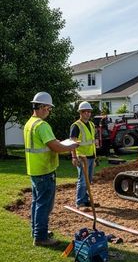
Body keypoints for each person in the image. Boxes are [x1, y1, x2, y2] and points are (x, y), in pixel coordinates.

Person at [24, 92, 79, 246]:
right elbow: (54, 146)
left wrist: (61, 143)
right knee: (44, 204)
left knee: (37, 202)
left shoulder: (29, 123)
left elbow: (49, 143)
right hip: (45, 170)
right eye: (48, 108)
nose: (49, 111)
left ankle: (36, 231)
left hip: (35, 170)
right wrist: (71, 146)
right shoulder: (42, 125)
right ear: (42, 107)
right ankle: (41, 237)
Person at [70, 101, 99, 212]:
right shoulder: (76, 126)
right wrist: (74, 157)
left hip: (91, 156)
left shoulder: (91, 125)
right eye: (84, 111)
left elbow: (92, 141)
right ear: (80, 113)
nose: (87, 113)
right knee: (82, 180)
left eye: (89, 111)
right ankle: (80, 202)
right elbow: (72, 143)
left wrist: (95, 157)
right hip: (82, 157)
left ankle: (85, 199)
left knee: (89, 180)